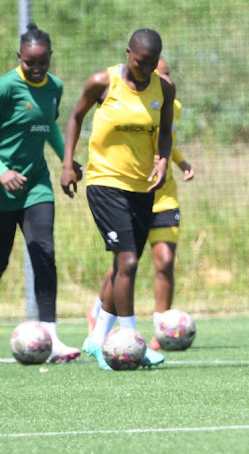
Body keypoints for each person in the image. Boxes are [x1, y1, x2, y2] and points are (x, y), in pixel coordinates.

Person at [0, 24, 81, 365]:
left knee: (44, 252)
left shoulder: (54, 87)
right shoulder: (4, 88)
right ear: (19, 58)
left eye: (43, 62)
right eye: (30, 63)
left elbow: (48, 127)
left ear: (50, 58)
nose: (37, 69)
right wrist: (1, 171)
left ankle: (52, 337)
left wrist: (67, 161)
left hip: (36, 184)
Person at [61, 29, 175, 370]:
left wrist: (163, 159)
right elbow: (75, 117)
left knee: (121, 267)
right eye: (141, 62)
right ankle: (132, 342)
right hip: (105, 182)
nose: (147, 68)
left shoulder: (164, 87)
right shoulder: (102, 82)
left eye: (153, 63)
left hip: (142, 187)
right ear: (128, 53)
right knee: (127, 263)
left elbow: (166, 130)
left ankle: (97, 341)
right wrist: (68, 164)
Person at [86, 58, 195, 351]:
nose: (162, 78)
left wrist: (178, 161)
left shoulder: (170, 101)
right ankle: (102, 320)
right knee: (125, 263)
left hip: (163, 194)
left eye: (167, 74)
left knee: (164, 261)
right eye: (158, 73)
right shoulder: (121, 93)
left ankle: (162, 329)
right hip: (125, 189)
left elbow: (164, 140)